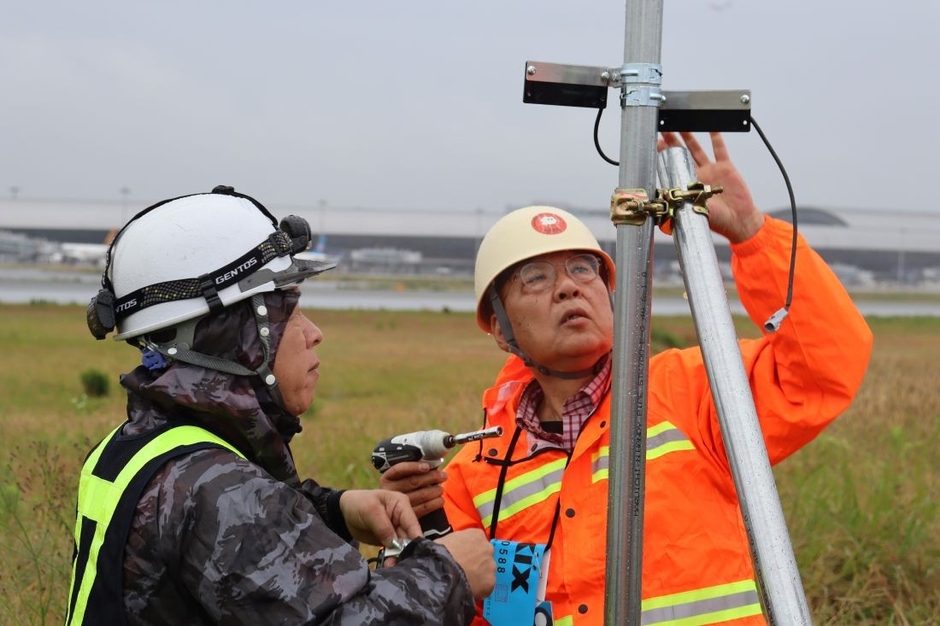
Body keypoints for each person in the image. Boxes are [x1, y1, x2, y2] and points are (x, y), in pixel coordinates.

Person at [380, 132, 874, 625]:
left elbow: (825, 367)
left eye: (583, 268)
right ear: (499, 327)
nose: (569, 286)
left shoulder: (695, 389)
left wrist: (752, 234)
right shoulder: (472, 476)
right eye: (536, 277)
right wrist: (417, 533)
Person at [66, 185, 494, 626]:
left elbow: (229, 547)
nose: (313, 333)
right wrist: (448, 573)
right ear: (240, 337)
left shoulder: (140, 448)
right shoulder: (218, 488)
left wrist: (336, 511)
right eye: (289, 311)